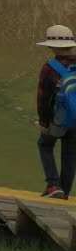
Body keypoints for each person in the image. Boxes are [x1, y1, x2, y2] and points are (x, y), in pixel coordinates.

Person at [37, 24, 76, 198]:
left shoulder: (50, 67)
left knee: (44, 144)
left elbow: (43, 98)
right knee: (70, 155)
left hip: (58, 119)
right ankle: (64, 192)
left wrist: (44, 123)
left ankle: (53, 185)